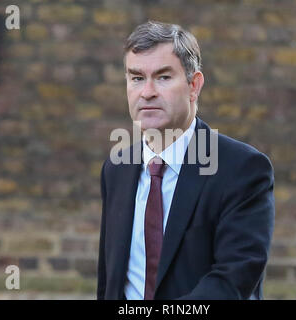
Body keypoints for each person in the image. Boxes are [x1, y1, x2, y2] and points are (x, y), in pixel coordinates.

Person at [97, 21, 275, 300]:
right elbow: (110, 279)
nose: (147, 92)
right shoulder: (116, 168)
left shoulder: (242, 170)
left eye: (163, 77)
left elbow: (232, 281)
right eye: (136, 78)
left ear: (194, 85)